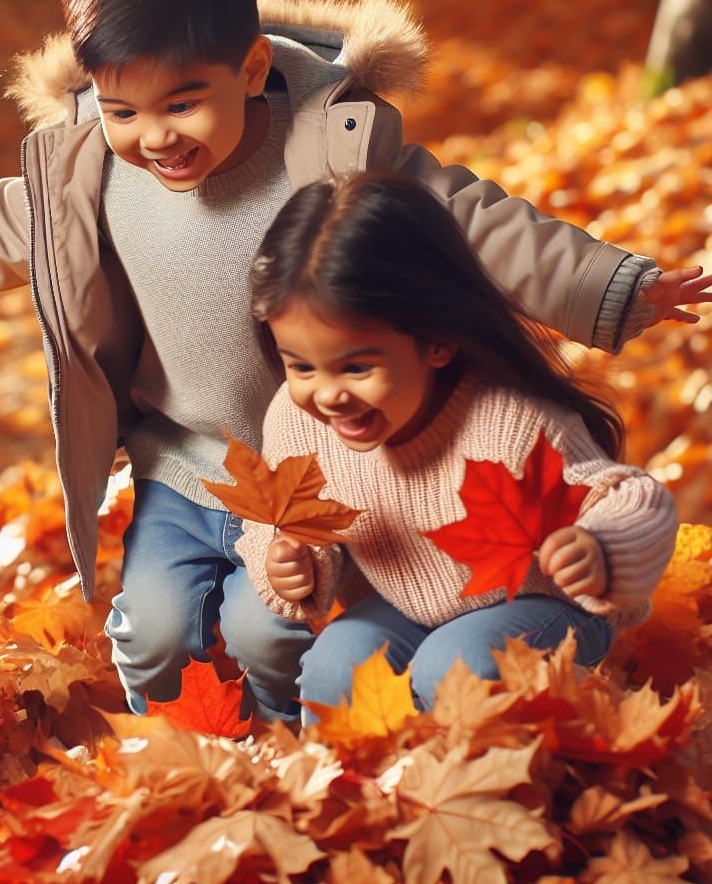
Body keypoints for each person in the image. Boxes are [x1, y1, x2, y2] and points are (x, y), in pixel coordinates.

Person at [0, 0, 711, 721]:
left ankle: (292, 755)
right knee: (157, 629)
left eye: (182, 104)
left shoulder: (329, 152)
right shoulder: (97, 169)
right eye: (123, 109)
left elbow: (467, 226)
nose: (154, 137)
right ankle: (184, 752)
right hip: (178, 460)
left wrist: (611, 283)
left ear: (249, 69)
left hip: (317, 462)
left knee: (270, 629)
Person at [239, 171, 679, 712]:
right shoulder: (295, 418)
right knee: (335, 669)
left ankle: (493, 781)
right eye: (301, 365)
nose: (328, 395)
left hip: (543, 607)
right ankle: (354, 788)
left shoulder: (508, 422)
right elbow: (282, 519)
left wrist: (600, 549)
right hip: (404, 604)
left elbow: (634, 499)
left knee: (455, 665)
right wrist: (289, 560)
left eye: (356, 366)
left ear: (437, 341)